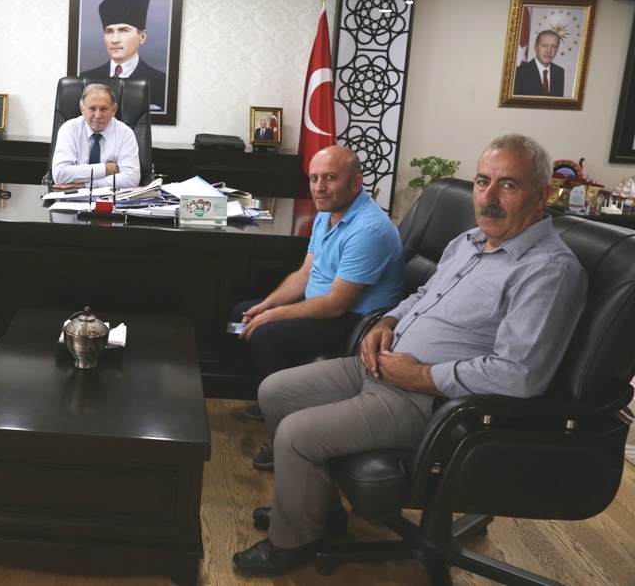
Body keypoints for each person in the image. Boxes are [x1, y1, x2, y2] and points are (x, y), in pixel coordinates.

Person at [232, 134, 587, 576]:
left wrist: (420, 376)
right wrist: (387, 322)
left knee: (296, 434)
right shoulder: (469, 241)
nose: (489, 197)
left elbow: (519, 375)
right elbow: (421, 296)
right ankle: (316, 512)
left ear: (542, 194)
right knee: (275, 392)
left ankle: (293, 541)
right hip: (382, 365)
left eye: (508, 185)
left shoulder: (549, 271)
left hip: (432, 401)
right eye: (482, 182)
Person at [230, 145, 404, 470]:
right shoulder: (327, 212)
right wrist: (266, 306)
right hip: (322, 307)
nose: (319, 188)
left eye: (330, 178)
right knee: (240, 314)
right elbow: (305, 274)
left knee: (267, 335)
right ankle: (271, 401)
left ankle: (280, 434)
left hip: (356, 324)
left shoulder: (369, 229)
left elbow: (336, 305)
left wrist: (271, 317)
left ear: (356, 182)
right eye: (314, 178)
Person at [79, 0, 167, 111]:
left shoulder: (162, 82)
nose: (114, 40)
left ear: (142, 36)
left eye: (124, 30)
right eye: (109, 31)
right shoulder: (85, 79)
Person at [51, 83, 140, 189]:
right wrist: (106, 169)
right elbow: (60, 175)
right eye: (92, 109)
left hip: (111, 197)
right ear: (82, 110)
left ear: (113, 110)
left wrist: (85, 185)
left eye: (104, 109)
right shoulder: (70, 129)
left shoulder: (125, 133)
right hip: (72, 196)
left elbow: (131, 179)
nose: (97, 115)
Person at [513, 30, 565, 97]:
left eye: (554, 46)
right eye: (544, 45)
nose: (549, 51)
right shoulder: (520, 73)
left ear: (557, 49)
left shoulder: (559, 72)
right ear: (536, 47)